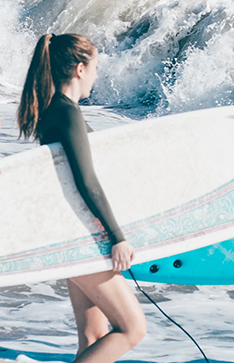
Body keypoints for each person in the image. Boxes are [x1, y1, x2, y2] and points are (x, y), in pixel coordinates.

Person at [17, 33, 146, 363]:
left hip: (69, 234)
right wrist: (118, 238)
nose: (97, 75)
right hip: (82, 238)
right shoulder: (67, 113)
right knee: (132, 329)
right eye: (96, 66)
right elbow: (87, 183)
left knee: (93, 336)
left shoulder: (52, 110)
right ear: (79, 68)